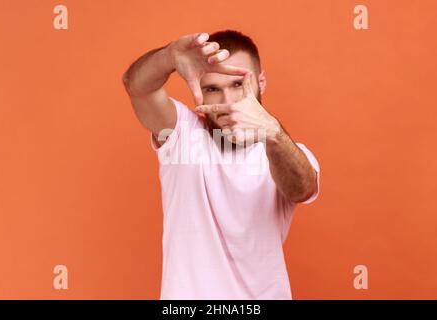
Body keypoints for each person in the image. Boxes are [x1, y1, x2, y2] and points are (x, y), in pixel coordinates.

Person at [122, 30, 320, 299]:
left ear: (261, 83)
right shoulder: (182, 136)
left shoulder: (282, 150)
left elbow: (302, 189)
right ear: (198, 90)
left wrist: (272, 133)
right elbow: (137, 87)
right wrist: (168, 56)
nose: (227, 103)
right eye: (212, 89)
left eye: (238, 85)